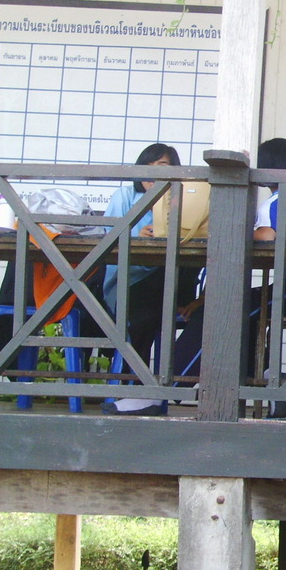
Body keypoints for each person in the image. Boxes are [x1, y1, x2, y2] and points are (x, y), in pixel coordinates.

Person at [170, 138, 286, 418]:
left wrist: (231, 229)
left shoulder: (274, 202)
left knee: (223, 309)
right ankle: (268, 377)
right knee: (243, 310)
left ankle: (169, 386)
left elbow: (267, 236)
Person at [100, 144, 200, 415]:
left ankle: (148, 393)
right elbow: (105, 235)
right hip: (129, 282)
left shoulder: (184, 200)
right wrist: (135, 235)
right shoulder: (125, 195)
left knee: (185, 271)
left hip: (170, 282)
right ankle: (142, 390)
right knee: (145, 314)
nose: (153, 173)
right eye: (148, 166)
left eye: (163, 167)